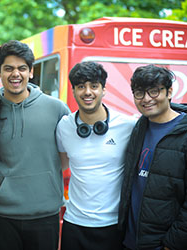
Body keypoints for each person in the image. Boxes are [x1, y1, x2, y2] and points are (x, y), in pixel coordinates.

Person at [0, 40, 70, 250]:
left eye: (21, 68)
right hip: (2, 215)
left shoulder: (56, 109)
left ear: (31, 72)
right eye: (8, 68)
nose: (16, 74)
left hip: (46, 214)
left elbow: (66, 155)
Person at [56, 61, 136, 250]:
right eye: (81, 86)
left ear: (103, 90)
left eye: (94, 86)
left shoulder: (127, 125)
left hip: (113, 226)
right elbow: (61, 164)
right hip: (73, 224)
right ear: (74, 91)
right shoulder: (64, 126)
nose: (88, 92)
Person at [118, 64, 187, 250]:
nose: (146, 99)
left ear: (169, 91)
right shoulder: (139, 127)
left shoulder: (183, 133)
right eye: (139, 93)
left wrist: (172, 244)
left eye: (154, 91)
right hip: (129, 241)